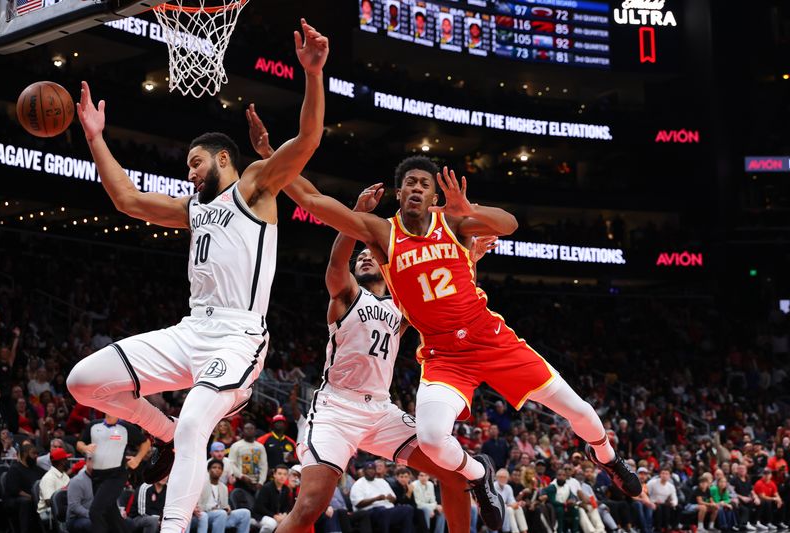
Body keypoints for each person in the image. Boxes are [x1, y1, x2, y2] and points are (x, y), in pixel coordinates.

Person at [256, 149, 642, 529]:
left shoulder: (451, 224)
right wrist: (275, 157)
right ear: (399, 192)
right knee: (433, 440)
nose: (417, 189)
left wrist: (468, 207)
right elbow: (312, 199)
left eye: (424, 184)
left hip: (489, 341)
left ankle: (606, 456)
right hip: (437, 359)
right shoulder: (380, 236)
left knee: (581, 412)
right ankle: (479, 474)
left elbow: (507, 224)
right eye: (410, 183)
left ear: (434, 195)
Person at [64, 18, 329, 533]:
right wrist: (96, 138)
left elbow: (310, 137)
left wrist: (313, 75)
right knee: (83, 381)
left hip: (237, 335)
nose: (189, 173)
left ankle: (174, 527)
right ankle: (157, 426)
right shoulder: (193, 208)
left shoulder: (253, 186)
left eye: (194, 163)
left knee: (194, 426)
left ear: (223, 159)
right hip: (190, 332)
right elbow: (127, 200)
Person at [248, 111, 501, 533]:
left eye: (371, 254)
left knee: (456, 474)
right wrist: (356, 217)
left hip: (379, 411)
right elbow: (333, 256)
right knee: (310, 506)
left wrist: (468, 256)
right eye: (362, 255)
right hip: (335, 409)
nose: (366, 256)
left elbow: (441, 287)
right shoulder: (345, 293)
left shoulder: (403, 303)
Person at [77, 413, 150, 533]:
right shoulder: (94, 425)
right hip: (97, 476)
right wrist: (85, 448)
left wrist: (137, 459)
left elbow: (145, 442)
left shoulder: (125, 428)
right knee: (111, 514)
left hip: (116, 475)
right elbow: (80, 443)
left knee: (96, 512)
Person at [349, 461, 415, 533]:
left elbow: (394, 499)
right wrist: (376, 499)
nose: (371, 471)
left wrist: (391, 498)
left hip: (389, 509)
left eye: (373, 469)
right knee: (383, 511)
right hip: (370, 511)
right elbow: (358, 503)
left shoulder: (382, 481)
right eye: (369, 469)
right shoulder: (359, 484)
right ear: (364, 471)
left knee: (408, 509)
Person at [200, 459, 251, 533]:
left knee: (245, 513)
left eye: (219, 468)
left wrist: (227, 508)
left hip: (221, 515)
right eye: (214, 467)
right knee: (221, 513)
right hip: (207, 515)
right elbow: (199, 505)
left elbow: (224, 505)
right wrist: (212, 509)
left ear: (222, 472)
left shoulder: (224, 487)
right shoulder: (202, 485)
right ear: (208, 470)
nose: (217, 470)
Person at [5, 442, 46, 533]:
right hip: (17, 500)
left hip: (35, 498)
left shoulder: (37, 469)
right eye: (33, 453)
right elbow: (15, 490)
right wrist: (33, 497)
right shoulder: (15, 469)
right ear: (24, 454)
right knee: (26, 502)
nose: (36, 456)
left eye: (37, 454)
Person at [228, 422, 268, 492]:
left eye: (251, 429)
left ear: (255, 431)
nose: (249, 430)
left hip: (257, 483)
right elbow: (231, 463)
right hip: (241, 482)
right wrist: (241, 476)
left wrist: (261, 482)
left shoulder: (260, 447)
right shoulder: (236, 446)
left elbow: (263, 465)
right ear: (243, 431)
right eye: (246, 429)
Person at [255, 464, 294, 532]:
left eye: (285, 474)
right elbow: (260, 507)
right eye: (279, 474)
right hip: (260, 516)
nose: (282, 476)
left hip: (277, 516)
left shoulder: (286, 489)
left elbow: (287, 506)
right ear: (274, 474)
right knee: (272, 524)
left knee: (288, 523)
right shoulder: (266, 488)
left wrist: (285, 514)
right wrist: (274, 516)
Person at [37, 447, 71, 521]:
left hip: (63, 507)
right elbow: (49, 502)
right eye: (66, 459)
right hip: (48, 512)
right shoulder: (48, 478)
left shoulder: (65, 475)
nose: (68, 461)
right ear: (62, 462)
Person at [645, 465, 678, 532]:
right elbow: (646, 493)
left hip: (664, 504)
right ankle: (658, 528)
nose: (664, 475)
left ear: (669, 476)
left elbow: (675, 499)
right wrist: (651, 502)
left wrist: (672, 503)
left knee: (676, 507)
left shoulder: (671, 486)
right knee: (659, 508)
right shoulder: (652, 483)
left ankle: (669, 527)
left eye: (666, 474)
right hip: (653, 503)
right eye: (663, 473)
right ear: (660, 474)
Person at [496, 468, 528, 533]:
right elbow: (496, 504)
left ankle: (524, 530)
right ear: (497, 478)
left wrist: (517, 504)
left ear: (507, 479)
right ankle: (515, 531)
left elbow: (512, 501)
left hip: (505, 507)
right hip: (496, 510)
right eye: (501, 477)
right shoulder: (493, 487)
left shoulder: (508, 487)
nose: (502, 479)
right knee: (509, 510)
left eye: (505, 477)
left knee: (518, 508)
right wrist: (510, 505)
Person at [67, 456, 94, 533]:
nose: (94, 462)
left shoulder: (103, 480)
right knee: (94, 524)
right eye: (91, 459)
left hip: (96, 516)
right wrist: (92, 515)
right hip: (76, 519)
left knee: (127, 522)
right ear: (86, 461)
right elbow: (74, 506)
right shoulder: (77, 481)